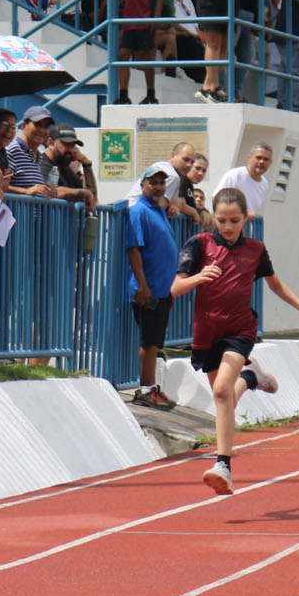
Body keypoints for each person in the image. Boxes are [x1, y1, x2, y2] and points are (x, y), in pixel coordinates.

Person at [171, 186, 299, 495]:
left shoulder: (255, 249)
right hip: (207, 332)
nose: (227, 227)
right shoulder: (199, 244)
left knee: (222, 389)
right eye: (222, 221)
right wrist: (200, 277)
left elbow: (276, 284)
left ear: (245, 219)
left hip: (240, 331)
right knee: (224, 397)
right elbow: (175, 288)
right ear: (214, 217)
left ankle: (223, 464)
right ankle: (252, 377)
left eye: (234, 221)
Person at [126, 165, 180, 411]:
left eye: (161, 183)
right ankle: (146, 390)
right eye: (153, 183)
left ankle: (151, 387)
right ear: (142, 185)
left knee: (155, 341)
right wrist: (144, 286)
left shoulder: (158, 211)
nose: (158, 187)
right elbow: (134, 249)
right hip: (146, 289)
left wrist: (167, 290)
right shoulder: (139, 211)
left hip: (161, 290)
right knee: (149, 342)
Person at [113, 0, 158, 105]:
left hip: (144, 20)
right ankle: (123, 95)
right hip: (129, 22)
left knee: (146, 59)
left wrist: (156, 17)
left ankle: (151, 94)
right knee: (122, 56)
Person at [37, 124, 96, 211]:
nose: (70, 150)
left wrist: (87, 165)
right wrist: (85, 193)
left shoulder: (65, 169)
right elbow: (52, 192)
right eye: (66, 144)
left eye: (72, 146)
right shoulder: (43, 164)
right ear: (50, 143)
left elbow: (92, 199)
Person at [4, 106, 57, 196]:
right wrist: (25, 191)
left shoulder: (39, 156)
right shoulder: (12, 150)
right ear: (24, 126)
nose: (42, 130)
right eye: (38, 125)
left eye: (46, 126)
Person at [212, 141, 272, 218]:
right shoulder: (235, 175)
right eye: (258, 157)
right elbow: (216, 199)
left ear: (270, 163)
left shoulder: (265, 184)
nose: (261, 162)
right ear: (249, 158)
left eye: (265, 159)